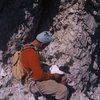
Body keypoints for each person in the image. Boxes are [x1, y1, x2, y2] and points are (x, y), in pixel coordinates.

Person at [20, 31, 69, 100]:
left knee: (61, 78)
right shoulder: (32, 54)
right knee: (63, 90)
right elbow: (39, 76)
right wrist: (53, 76)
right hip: (33, 83)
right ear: (42, 44)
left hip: (33, 77)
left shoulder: (27, 47)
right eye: (46, 45)